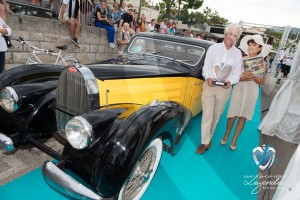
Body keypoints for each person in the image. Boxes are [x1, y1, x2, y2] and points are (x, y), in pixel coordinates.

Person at [196, 23, 243, 154]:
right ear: (225, 34)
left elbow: (237, 73)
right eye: (230, 33)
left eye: (235, 35)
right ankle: (204, 142)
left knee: (216, 116)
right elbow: (206, 67)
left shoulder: (237, 54)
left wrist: (230, 81)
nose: (231, 37)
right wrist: (208, 77)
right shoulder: (213, 48)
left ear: (236, 39)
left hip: (224, 90)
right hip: (209, 87)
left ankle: (209, 137)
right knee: (207, 115)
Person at [221, 34, 272, 150]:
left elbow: (262, 82)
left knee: (243, 116)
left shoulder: (262, 63)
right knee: (233, 115)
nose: (251, 47)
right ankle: (227, 135)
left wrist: (253, 77)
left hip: (251, 92)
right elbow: (233, 76)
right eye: (249, 45)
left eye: (254, 45)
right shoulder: (240, 59)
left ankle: (234, 139)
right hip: (239, 89)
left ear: (259, 48)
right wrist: (243, 77)